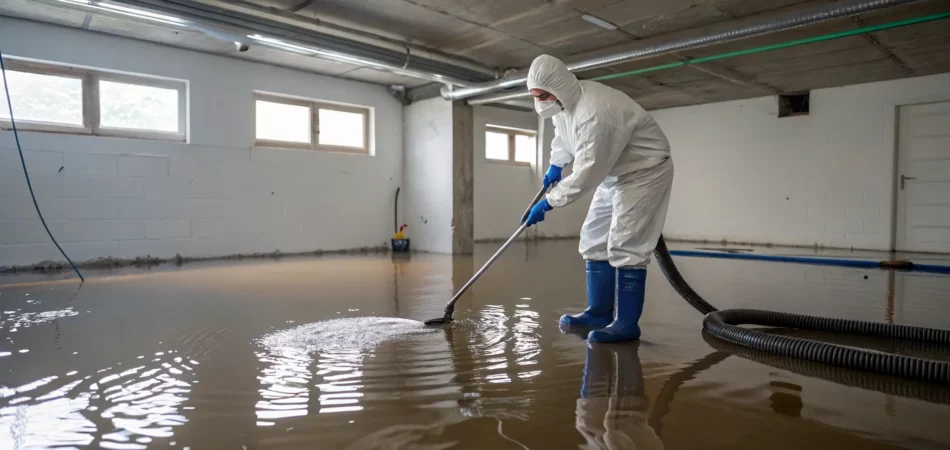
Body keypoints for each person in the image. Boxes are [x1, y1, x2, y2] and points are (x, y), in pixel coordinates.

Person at [520, 54, 674, 343]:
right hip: (612, 172)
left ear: (558, 86)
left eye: (543, 95)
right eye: (535, 96)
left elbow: (585, 174)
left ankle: (627, 325)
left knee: (626, 243)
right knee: (593, 238)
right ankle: (598, 313)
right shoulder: (565, 103)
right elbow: (564, 137)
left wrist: (548, 202)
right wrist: (557, 163)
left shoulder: (596, 113)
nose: (540, 102)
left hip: (644, 171)